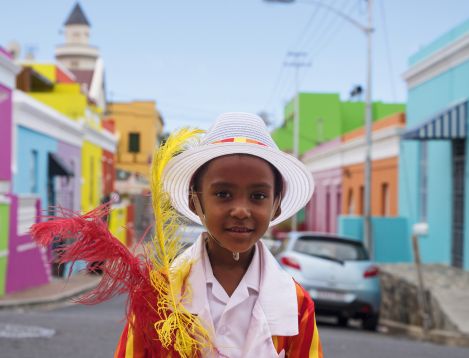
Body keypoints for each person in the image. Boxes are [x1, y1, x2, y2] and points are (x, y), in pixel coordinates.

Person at [115, 112, 323, 357]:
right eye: (223, 194)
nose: (241, 210)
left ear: (276, 205)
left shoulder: (296, 304)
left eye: (258, 196)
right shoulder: (158, 296)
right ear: (195, 201)